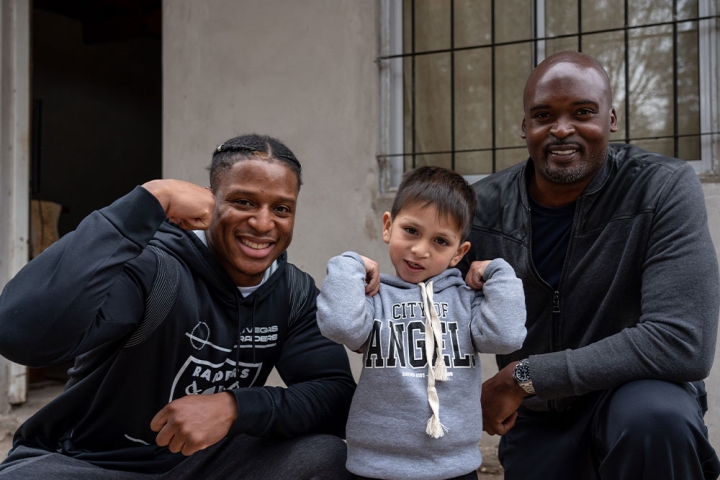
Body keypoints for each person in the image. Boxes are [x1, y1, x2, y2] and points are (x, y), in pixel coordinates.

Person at [0, 134, 356, 479]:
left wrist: (235, 407)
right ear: (209, 199)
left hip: (206, 464)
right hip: (94, 462)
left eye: (281, 209)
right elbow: (21, 334)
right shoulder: (155, 271)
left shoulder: (292, 292)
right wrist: (150, 200)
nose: (263, 224)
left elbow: (335, 398)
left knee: (325, 458)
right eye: (244, 202)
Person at [459, 51, 720, 479]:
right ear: (525, 127)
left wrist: (522, 376)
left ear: (611, 119)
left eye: (583, 112)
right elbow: (432, 310)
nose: (562, 129)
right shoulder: (481, 207)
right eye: (544, 115)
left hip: (632, 403)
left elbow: (682, 341)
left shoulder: (661, 189)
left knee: (657, 417)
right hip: (538, 418)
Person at [317, 166, 527, 480]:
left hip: (454, 468)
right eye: (411, 231)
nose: (420, 250)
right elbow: (340, 325)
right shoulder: (374, 298)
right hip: (374, 467)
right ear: (388, 226)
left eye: (441, 241)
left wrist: (497, 272)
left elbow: (507, 336)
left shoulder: (466, 301)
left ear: (459, 253)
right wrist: (350, 263)